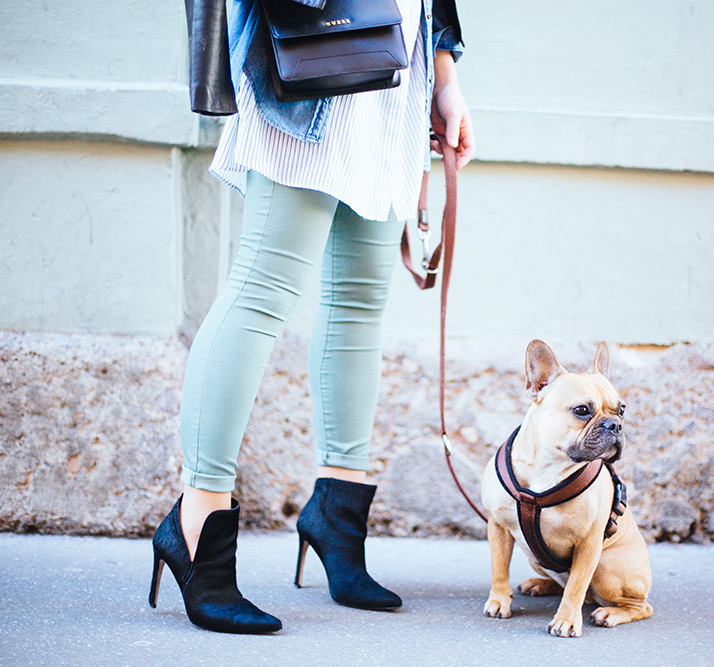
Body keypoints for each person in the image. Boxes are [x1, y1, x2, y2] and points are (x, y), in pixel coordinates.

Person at [148, 0, 474, 634]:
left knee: (360, 299)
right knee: (263, 286)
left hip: (393, 71)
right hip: (309, 56)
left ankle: (336, 516)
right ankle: (196, 524)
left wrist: (444, 76)